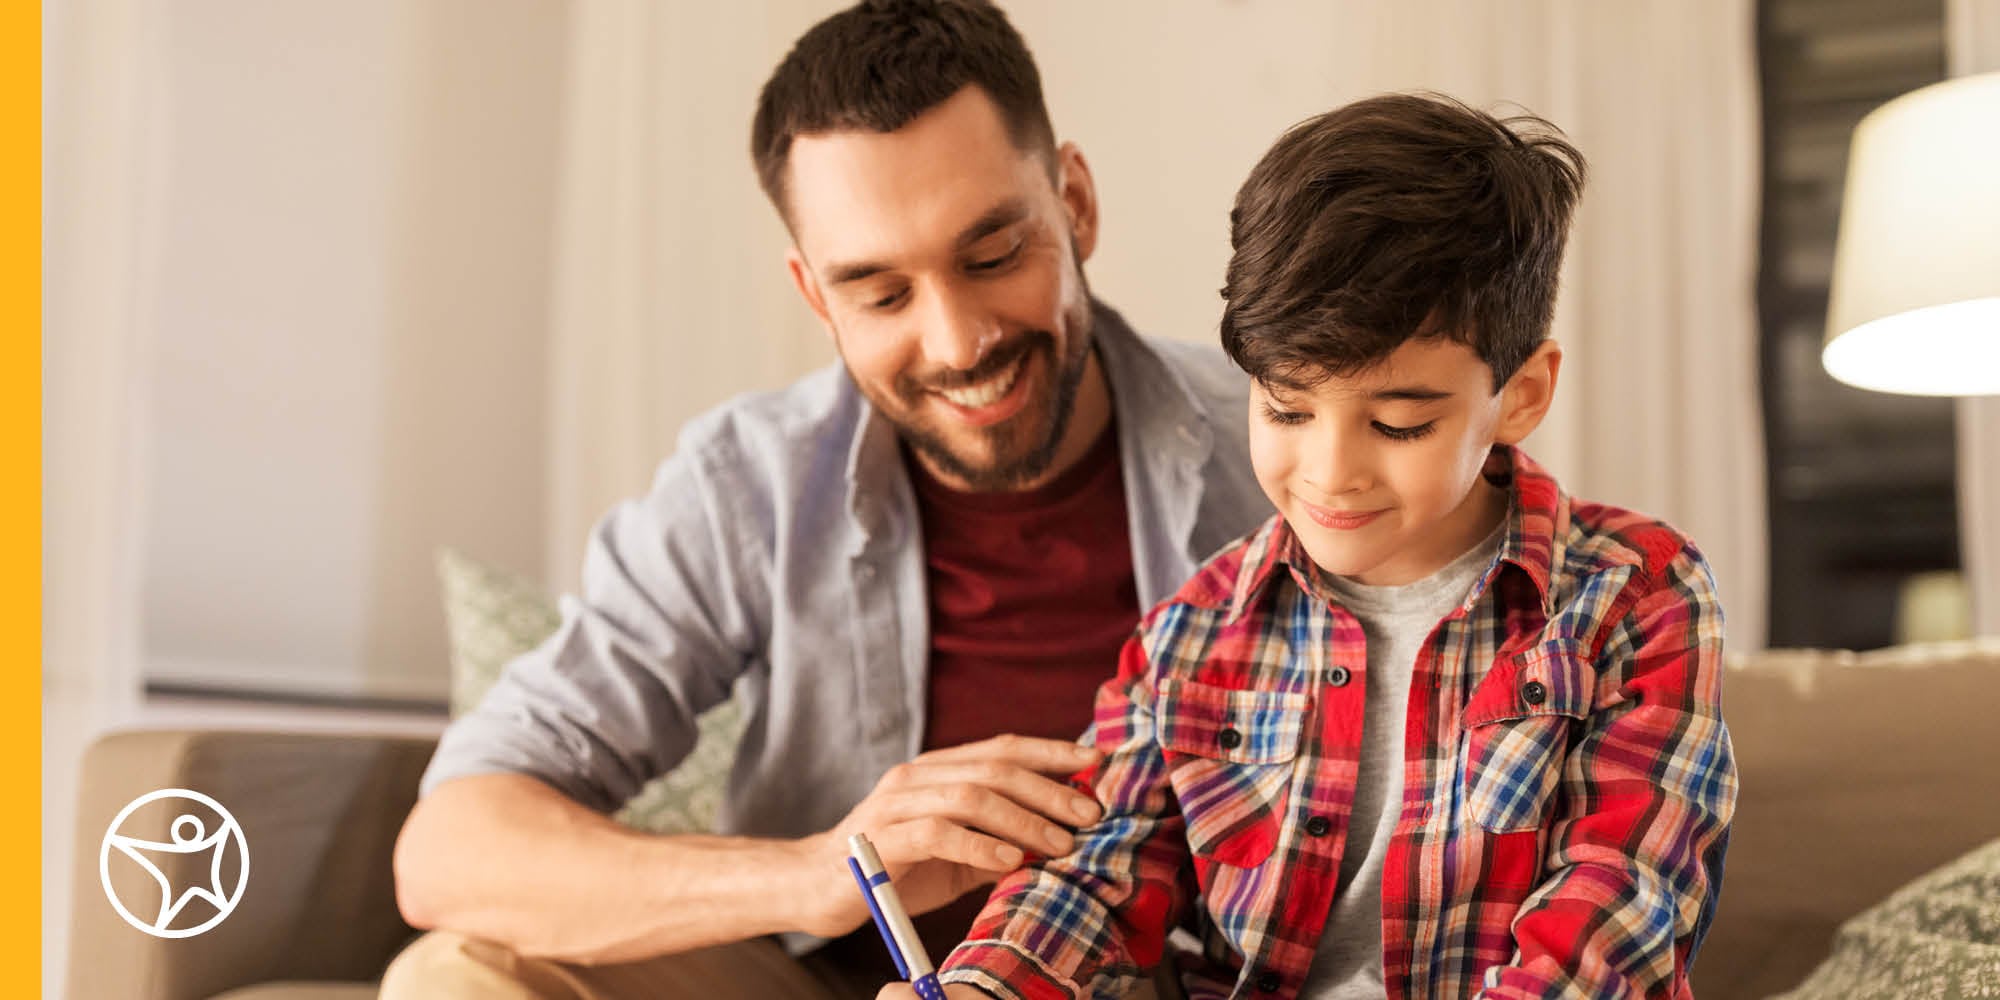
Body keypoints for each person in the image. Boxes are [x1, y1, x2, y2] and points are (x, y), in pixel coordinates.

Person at [382, 2, 1268, 998]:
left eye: (991, 256)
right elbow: (452, 846)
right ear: (817, 296)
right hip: (821, 982)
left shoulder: (1286, 447)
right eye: (881, 294)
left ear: (1074, 203)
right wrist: (821, 869)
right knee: (457, 973)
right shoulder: (747, 482)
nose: (954, 341)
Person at [897, 94, 1737, 1000]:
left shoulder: (1636, 598)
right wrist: (982, 985)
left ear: (1521, 395)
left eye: (1399, 422)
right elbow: (1091, 872)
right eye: (1286, 409)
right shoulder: (1194, 634)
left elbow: (1617, 912)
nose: (1330, 474)